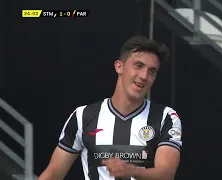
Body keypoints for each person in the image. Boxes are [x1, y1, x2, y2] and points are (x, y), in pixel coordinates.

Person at [39, 36, 182, 180]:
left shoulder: (165, 117)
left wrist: (132, 171)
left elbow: (166, 174)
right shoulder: (83, 116)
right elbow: (52, 175)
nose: (144, 76)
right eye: (138, 66)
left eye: (152, 71)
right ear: (119, 66)